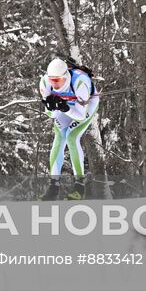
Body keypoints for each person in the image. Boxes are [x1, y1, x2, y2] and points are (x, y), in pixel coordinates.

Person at [39, 57, 99, 199]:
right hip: (66, 105)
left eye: (58, 80)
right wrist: (52, 107)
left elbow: (80, 115)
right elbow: (50, 114)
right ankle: (53, 187)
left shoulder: (80, 83)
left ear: (66, 76)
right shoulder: (44, 83)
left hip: (85, 106)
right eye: (52, 80)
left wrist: (64, 107)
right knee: (59, 138)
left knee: (71, 137)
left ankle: (79, 186)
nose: (55, 84)